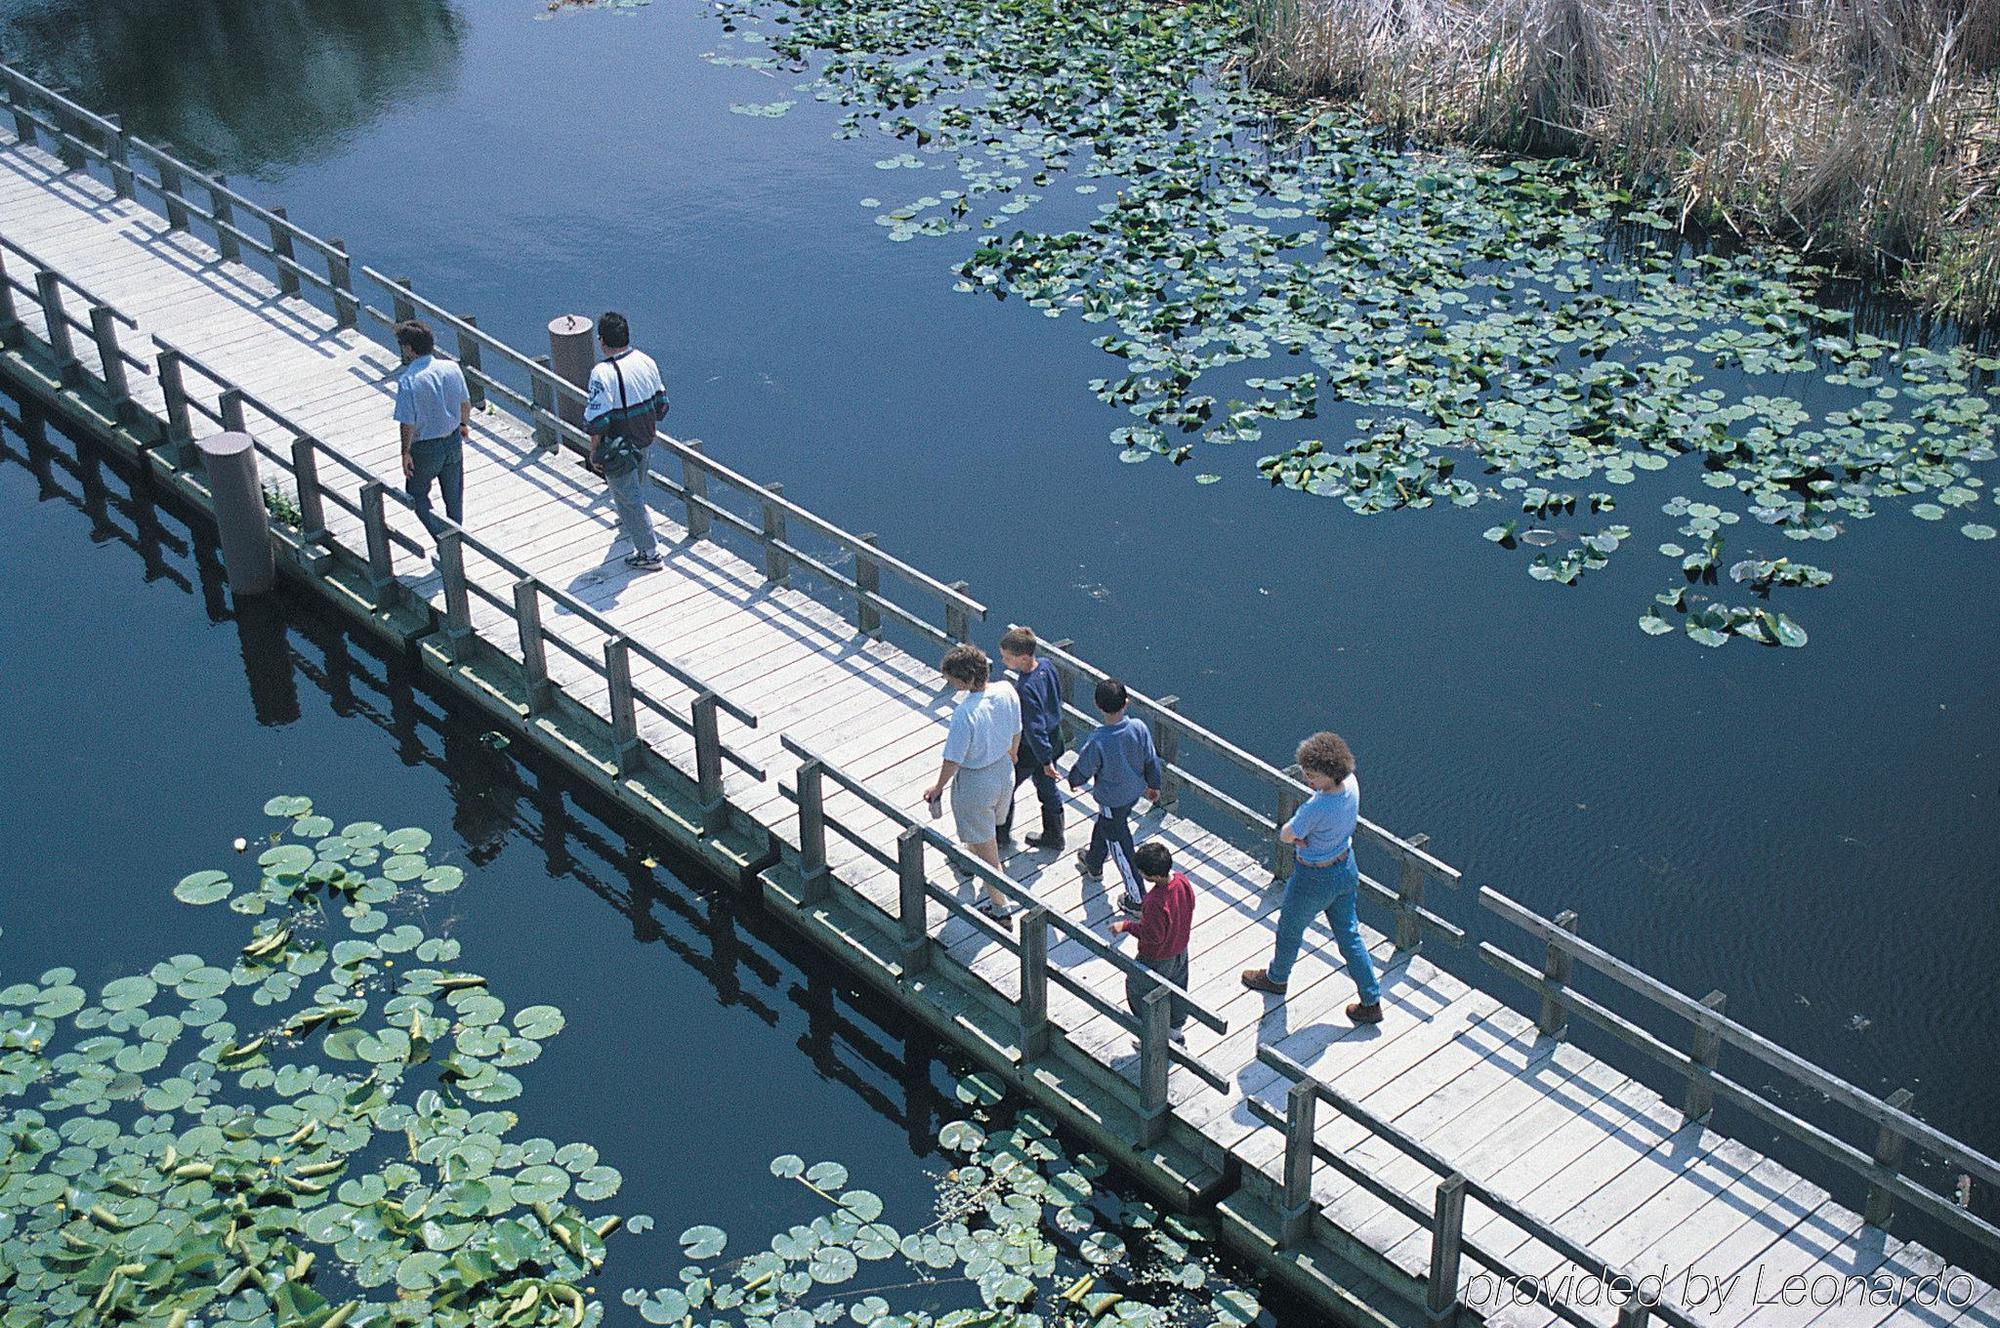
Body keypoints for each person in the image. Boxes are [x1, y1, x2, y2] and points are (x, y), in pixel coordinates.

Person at [1241, 731, 1382, 1025]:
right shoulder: (1351, 785)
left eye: (1313, 776)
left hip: (1313, 878)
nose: (1308, 780)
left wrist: (1300, 838)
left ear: (1331, 774)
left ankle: (1277, 979)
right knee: (1349, 934)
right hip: (1345, 868)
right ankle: (1371, 1000)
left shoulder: (1316, 807)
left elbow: (1286, 835)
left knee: (1290, 928)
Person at [920, 645, 1023, 930]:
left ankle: (1001, 909)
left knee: (989, 852)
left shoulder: (964, 713)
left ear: (964, 681)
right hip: (1004, 772)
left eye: (953, 680)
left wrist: (939, 787)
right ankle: (968, 857)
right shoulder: (1006, 690)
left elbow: (953, 758)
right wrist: (1011, 754)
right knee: (985, 831)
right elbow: (1017, 729)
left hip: (976, 782)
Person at [582, 311, 670, 571]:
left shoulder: (602, 373)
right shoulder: (646, 361)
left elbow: (596, 418)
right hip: (645, 437)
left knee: (630, 497)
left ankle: (649, 552)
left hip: (620, 446)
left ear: (602, 341)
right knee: (633, 491)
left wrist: (595, 449)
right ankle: (628, 524)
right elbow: (662, 405)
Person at [1067, 677, 1161, 915]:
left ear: (1097, 706)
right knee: (1106, 825)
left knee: (1121, 846)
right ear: (1126, 702)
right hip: (1133, 794)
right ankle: (1094, 863)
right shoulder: (1139, 727)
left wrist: (1073, 780)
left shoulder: (1099, 740)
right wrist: (1154, 785)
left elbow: (1083, 769)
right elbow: (1151, 759)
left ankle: (1138, 899)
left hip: (1112, 799)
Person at [391, 320, 471, 542]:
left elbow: (408, 422)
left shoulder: (408, 381)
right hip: (453, 440)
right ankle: (456, 538)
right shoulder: (452, 368)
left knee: (417, 494)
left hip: (425, 448)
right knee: (454, 498)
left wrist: (405, 452)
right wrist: (463, 425)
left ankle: (443, 540)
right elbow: (465, 403)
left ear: (409, 348)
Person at [1110, 840, 1194, 1045]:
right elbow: (1191, 903)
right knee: (1177, 990)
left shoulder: (1154, 901)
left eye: (1143, 872)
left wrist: (1127, 926)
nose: (1141, 874)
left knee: (1139, 990)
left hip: (1156, 957)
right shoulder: (1182, 881)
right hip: (1180, 950)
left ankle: (1150, 1035)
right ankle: (1175, 1034)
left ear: (1154, 876)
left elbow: (1153, 936)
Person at [995, 626, 1065, 851]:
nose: (1003, 660)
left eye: (1007, 657)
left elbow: (1034, 729)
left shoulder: (1025, 688)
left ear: (1023, 658)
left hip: (1032, 749)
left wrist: (1045, 762)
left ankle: (1000, 836)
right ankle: (1055, 836)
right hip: (1054, 738)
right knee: (1047, 789)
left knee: (1006, 787)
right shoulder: (1046, 665)